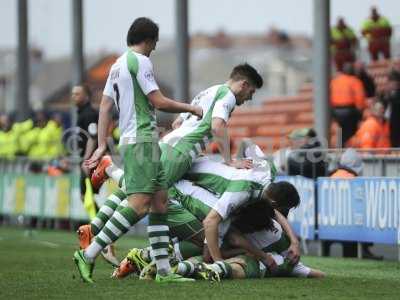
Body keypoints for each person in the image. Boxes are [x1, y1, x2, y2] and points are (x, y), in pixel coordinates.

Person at [73, 17, 202, 284]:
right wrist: (191, 108)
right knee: (140, 204)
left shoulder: (117, 66)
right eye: (154, 42)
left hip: (135, 140)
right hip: (142, 140)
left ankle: (164, 272)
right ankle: (90, 253)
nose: (154, 48)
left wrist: (100, 145)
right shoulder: (140, 61)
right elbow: (158, 100)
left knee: (160, 202)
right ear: (150, 39)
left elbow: (106, 107)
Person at [324, 148, 383, 260]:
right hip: (347, 223)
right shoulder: (353, 179)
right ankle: (364, 250)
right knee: (366, 214)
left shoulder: (331, 176)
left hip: (328, 222)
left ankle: (364, 250)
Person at [330, 63, 366, 146]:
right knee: (350, 133)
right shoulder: (355, 81)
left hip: (336, 111)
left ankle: (340, 147)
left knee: (340, 132)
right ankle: (348, 149)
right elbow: (360, 98)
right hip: (349, 111)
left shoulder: (335, 81)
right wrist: (360, 113)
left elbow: (329, 96)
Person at [381, 70, 400, 147]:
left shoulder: (395, 95)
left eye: (395, 83)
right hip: (387, 126)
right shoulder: (384, 94)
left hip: (396, 125)